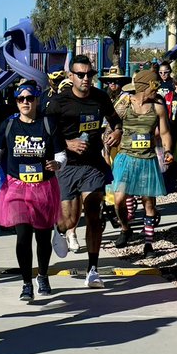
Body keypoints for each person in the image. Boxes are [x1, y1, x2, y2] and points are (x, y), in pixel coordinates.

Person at [47, 54, 122, 289]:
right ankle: (59, 231)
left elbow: (116, 120)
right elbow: (46, 133)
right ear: (71, 76)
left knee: (93, 214)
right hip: (67, 166)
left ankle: (93, 269)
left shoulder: (100, 98)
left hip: (92, 166)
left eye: (90, 74)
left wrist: (117, 132)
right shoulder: (59, 102)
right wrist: (67, 143)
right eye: (81, 74)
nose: (86, 78)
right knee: (69, 220)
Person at [0, 81, 66, 299]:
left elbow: (61, 153)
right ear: (16, 101)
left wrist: (58, 164)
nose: (25, 102)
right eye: (20, 99)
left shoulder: (48, 123)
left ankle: (42, 275)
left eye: (29, 98)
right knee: (22, 235)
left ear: (37, 99)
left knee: (42, 238)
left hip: (43, 187)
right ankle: (26, 283)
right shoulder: (9, 125)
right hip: (17, 187)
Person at [110, 68, 173, 255]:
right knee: (118, 200)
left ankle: (148, 243)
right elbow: (111, 123)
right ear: (144, 86)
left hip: (147, 159)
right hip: (126, 156)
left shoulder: (158, 105)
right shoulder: (125, 103)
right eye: (155, 86)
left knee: (148, 203)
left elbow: (165, 132)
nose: (158, 89)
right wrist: (113, 134)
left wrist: (168, 150)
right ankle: (125, 228)